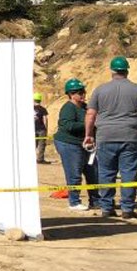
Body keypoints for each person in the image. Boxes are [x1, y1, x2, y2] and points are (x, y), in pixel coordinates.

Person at [84, 57, 137, 218]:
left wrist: (88, 135)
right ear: (127, 71)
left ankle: (107, 208)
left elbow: (90, 114)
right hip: (131, 137)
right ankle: (127, 209)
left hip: (105, 137)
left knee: (106, 173)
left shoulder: (100, 90)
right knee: (129, 173)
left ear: (111, 71)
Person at [54, 79, 100, 211]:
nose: (82, 94)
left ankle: (95, 201)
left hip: (85, 144)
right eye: (79, 92)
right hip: (69, 144)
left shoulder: (85, 107)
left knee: (93, 172)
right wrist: (88, 123)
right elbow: (68, 126)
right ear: (71, 94)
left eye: (83, 92)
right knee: (74, 173)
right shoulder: (68, 108)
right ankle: (74, 202)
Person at [33, 93, 49, 164]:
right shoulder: (43, 109)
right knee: (42, 144)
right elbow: (45, 119)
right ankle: (40, 159)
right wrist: (46, 128)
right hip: (41, 129)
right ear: (40, 100)